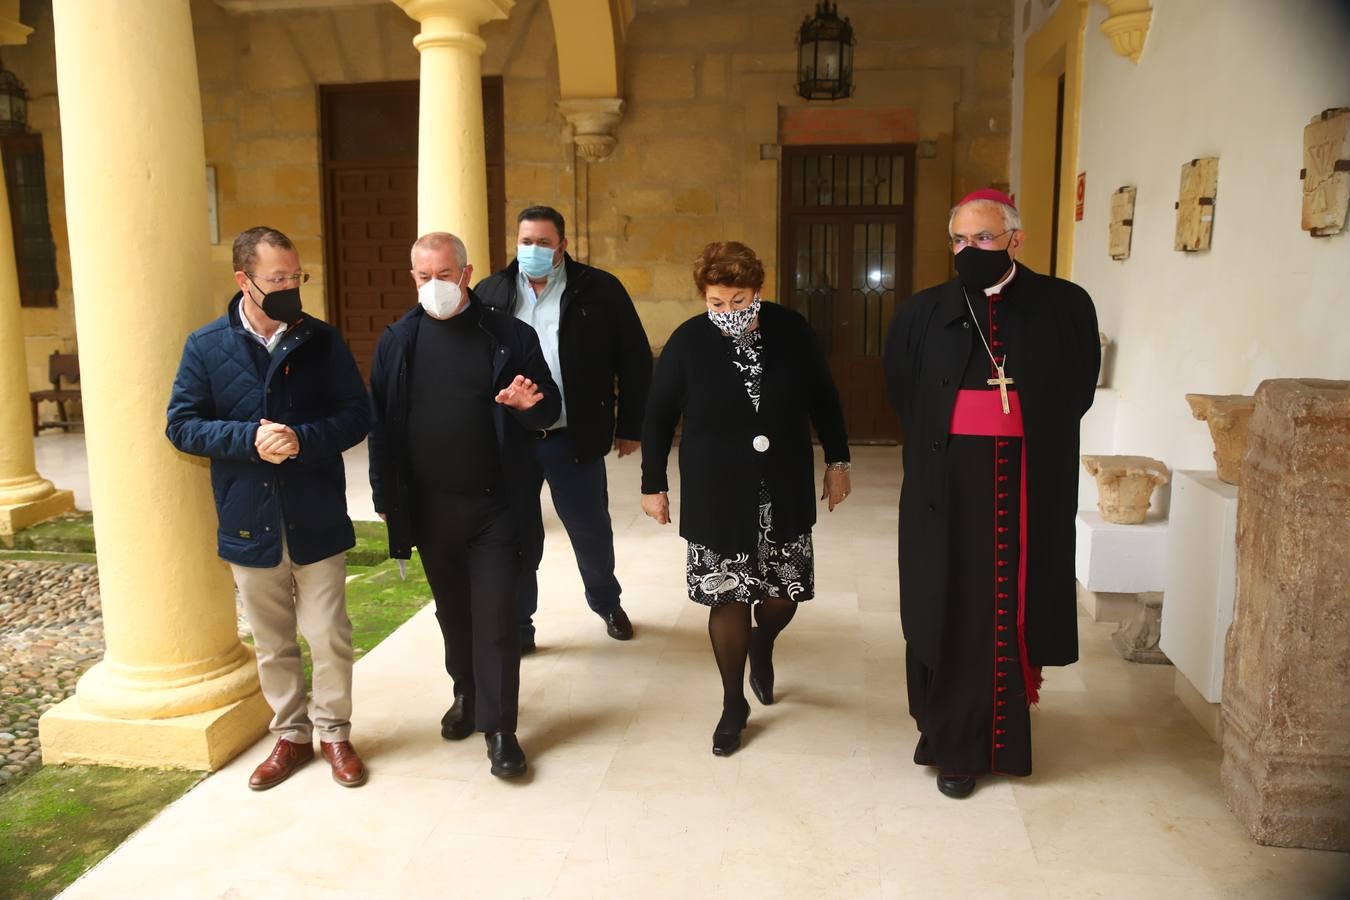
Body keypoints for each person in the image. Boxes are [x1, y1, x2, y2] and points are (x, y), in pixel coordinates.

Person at [883, 189, 1100, 798]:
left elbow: (1078, 389)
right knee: (952, 604)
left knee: (1007, 605)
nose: (969, 250)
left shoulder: (1064, 304)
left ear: (1014, 238)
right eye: (959, 240)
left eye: (982, 238)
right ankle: (953, 742)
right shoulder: (922, 311)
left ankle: (1001, 734)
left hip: (1027, 483)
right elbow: (904, 394)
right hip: (947, 487)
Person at [166, 226, 371, 790]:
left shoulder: (322, 340)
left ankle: (334, 733)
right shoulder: (205, 345)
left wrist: (302, 438)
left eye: (296, 277)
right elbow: (181, 425)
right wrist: (247, 440)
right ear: (244, 280)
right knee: (273, 641)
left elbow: (358, 414)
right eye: (277, 279)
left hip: (316, 512)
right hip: (246, 516)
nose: (290, 287)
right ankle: (290, 737)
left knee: (329, 632)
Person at [640, 241, 851, 757]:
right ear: (704, 297)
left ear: (758, 291)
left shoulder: (792, 331)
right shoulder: (688, 342)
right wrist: (653, 483)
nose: (727, 312)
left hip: (782, 482)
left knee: (781, 597)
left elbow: (824, 397)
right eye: (716, 302)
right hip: (717, 489)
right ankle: (733, 704)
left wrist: (839, 463)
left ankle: (765, 642)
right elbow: (659, 414)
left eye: (738, 300)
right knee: (727, 597)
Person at [368, 232, 560, 779]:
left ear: (467, 272)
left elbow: (547, 410)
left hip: (496, 506)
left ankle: (501, 730)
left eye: (445, 275)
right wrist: (386, 496)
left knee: (496, 617)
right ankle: (467, 695)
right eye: (424, 277)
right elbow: (380, 427)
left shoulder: (508, 335)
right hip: (429, 508)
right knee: (454, 615)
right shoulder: (397, 341)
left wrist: (531, 406)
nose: (435, 286)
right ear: (413, 278)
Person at [476, 206, 652, 653]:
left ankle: (607, 603)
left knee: (590, 529)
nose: (532, 250)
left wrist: (631, 424)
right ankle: (520, 624)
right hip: (509, 441)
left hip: (571, 435)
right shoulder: (492, 292)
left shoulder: (599, 290)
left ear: (563, 246)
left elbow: (633, 359)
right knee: (517, 535)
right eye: (525, 241)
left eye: (543, 242)